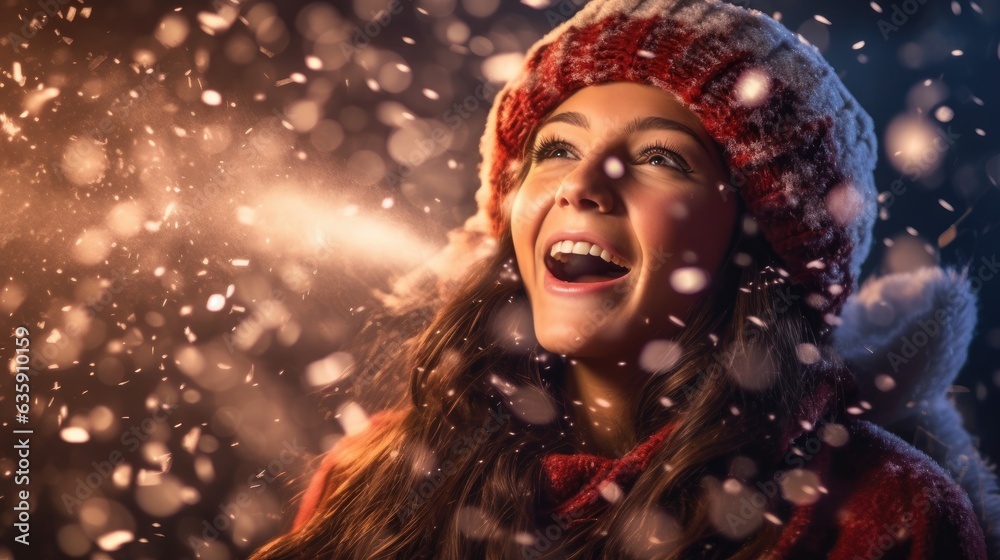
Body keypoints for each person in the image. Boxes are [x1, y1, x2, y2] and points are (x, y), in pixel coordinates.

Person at [250, 0, 997, 558]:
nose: (583, 185)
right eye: (556, 151)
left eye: (660, 159)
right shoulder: (376, 475)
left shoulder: (875, 508)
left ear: (758, 246)